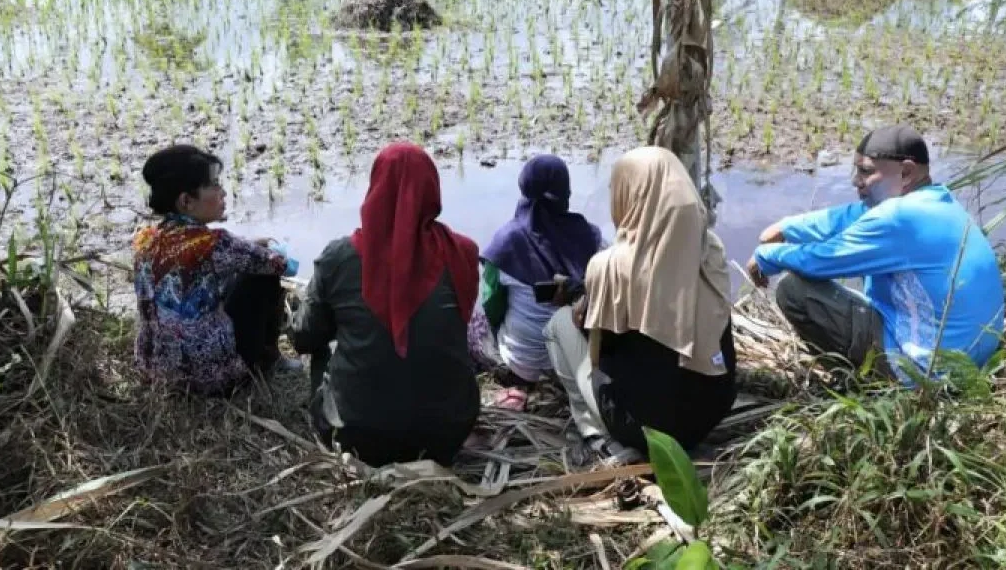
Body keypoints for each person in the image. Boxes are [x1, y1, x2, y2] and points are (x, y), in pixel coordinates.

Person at [747, 125, 1005, 384]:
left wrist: (767, 257)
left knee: (794, 291)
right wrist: (787, 228)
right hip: (968, 364)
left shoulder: (899, 218)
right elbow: (852, 216)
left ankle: (865, 384)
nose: (855, 181)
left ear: (906, 172)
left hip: (926, 373)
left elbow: (822, 261)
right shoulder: (935, 201)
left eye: (866, 172)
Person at [543, 146, 738, 463]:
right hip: (710, 412)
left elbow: (600, 353)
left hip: (645, 428)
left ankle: (598, 436)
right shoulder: (711, 250)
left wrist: (585, 308)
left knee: (559, 324)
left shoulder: (609, 266)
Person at [291, 143, 481, 467]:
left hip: (357, 436)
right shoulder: (461, 252)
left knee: (322, 347)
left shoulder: (340, 257)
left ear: (375, 188)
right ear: (431, 190)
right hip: (447, 435)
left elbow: (304, 338)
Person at [133, 145, 301, 396]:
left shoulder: (144, 239)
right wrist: (273, 249)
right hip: (208, 380)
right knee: (263, 279)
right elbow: (283, 265)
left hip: (155, 374)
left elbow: (199, 261)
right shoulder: (214, 244)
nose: (223, 192)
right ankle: (268, 360)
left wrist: (247, 247)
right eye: (213, 185)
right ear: (186, 201)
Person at [479, 154, 604, 407]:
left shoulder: (506, 242)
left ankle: (517, 385)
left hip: (521, 362)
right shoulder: (591, 238)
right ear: (566, 193)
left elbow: (491, 304)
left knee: (479, 321)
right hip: (573, 361)